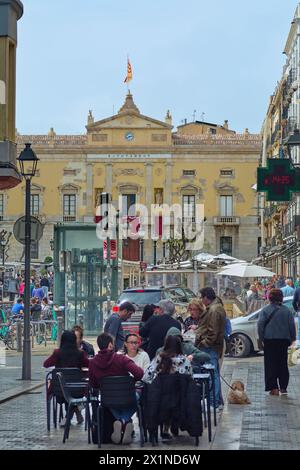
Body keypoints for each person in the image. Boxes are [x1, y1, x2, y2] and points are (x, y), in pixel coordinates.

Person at [88, 332, 144, 444]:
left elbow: (93, 384)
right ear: (110, 345)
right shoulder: (121, 359)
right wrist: (131, 382)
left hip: (107, 400)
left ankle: (120, 420)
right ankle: (125, 420)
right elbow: (139, 373)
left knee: (110, 403)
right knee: (140, 395)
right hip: (127, 397)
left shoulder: (93, 362)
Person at [142, 335, 193, 441]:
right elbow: (190, 380)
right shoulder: (185, 361)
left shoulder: (159, 359)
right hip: (180, 401)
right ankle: (174, 425)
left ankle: (163, 429)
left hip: (160, 401)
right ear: (180, 346)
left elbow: (146, 377)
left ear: (165, 345)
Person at [43, 330, 89, 425]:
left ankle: (67, 417)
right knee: (77, 393)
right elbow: (89, 364)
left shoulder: (57, 353)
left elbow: (46, 364)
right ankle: (75, 410)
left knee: (66, 394)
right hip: (77, 389)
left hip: (59, 390)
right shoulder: (80, 353)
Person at [258, 288, 296, 396]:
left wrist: (261, 339)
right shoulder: (287, 311)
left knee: (270, 364)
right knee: (282, 364)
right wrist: (292, 338)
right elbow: (292, 326)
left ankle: (273, 388)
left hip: (269, 341)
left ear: (270, 298)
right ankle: (283, 387)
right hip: (283, 341)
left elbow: (260, 326)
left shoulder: (265, 310)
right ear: (281, 298)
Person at [195, 287, 226, 409]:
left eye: (202, 297)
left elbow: (213, 332)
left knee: (212, 375)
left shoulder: (213, 310)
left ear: (206, 298)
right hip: (213, 346)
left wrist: (204, 343)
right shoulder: (216, 307)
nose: (201, 300)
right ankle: (217, 401)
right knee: (214, 374)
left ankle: (214, 402)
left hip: (210, 347)